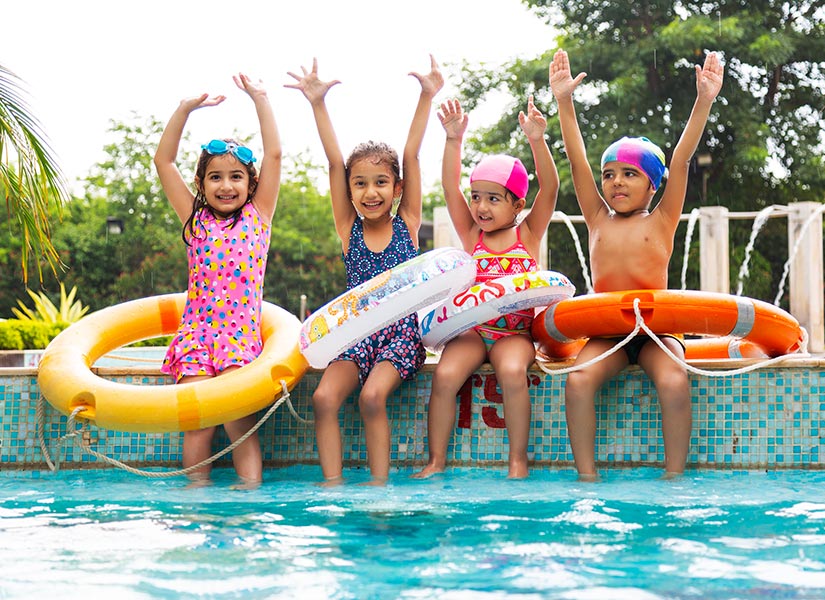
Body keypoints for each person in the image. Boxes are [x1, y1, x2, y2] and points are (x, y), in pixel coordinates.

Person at [549, 48, 724, 479]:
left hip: (656, 330)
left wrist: (704, 100)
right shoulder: (596, 218)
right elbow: (576, 159)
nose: (615, 182)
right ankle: (587, 476)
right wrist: (564, 102)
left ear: (651, 185)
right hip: (608, 330)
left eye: (629, 174)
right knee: (577, 381)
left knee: (672, 381)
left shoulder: (663, 219)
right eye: (610, 174)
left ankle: (673, 475)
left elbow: (681, 159)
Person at [285, 56, 443, 485]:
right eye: (360, 183)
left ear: (397, 187)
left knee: (372, 397)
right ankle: (333, 487)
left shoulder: (406, 222)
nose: (370, 192)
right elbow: (335, 163)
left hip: (401, 336)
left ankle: (378, 488)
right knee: (323, 398)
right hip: (355, 333)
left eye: (380, 182)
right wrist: (318, 104)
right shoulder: (347, 228)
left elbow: (410, 154)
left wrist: (427, 96)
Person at [412, 96, 559, 479]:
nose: (480, 206)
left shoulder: (527, 233)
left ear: (517, 204)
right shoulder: (472, 234)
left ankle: (517, 460)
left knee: (512, 373)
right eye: (477, 197)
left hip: (514, 333)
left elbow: (552, 188)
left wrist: (537, 141)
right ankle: (436, 460)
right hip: (475, 331)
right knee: (444, 376)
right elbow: (449, 187)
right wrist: (452, 140)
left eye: (493, 199)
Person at [154, 73, 282, 487]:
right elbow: (163, 162)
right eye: (215, 177)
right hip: (196, 336)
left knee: (237, 422)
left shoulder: (258, 216)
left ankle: (248, 497)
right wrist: (184, 110)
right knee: (198, 425)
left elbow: (275, 154)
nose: (226, 185)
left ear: (251, 184)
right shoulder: (194, 220)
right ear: (201, 184)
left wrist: (261, 99)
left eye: (236, 176)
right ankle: (197, 497)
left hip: (239, 337)